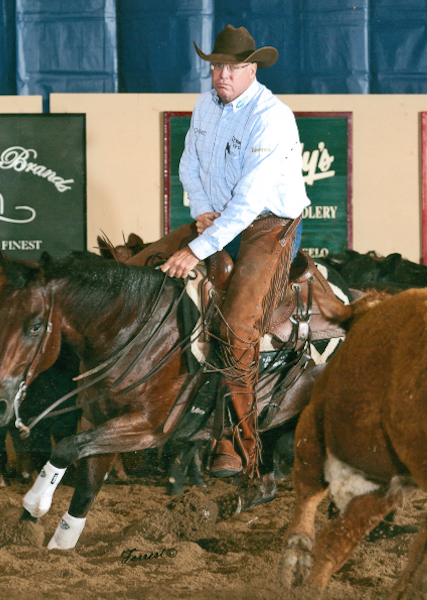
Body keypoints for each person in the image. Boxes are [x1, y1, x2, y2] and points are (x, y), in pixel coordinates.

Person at [160, 25, 310, 478]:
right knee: (149, 268)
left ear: (251, 69)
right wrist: (203, 213)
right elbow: (189, 165)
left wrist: (198, 246)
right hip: (221, 218)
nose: (222, 74)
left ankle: (242, 445)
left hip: (269, 226)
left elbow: (249, 202)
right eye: (216, 66)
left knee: (239, 324)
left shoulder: (272, 116)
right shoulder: (206, 106)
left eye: (232, 67)